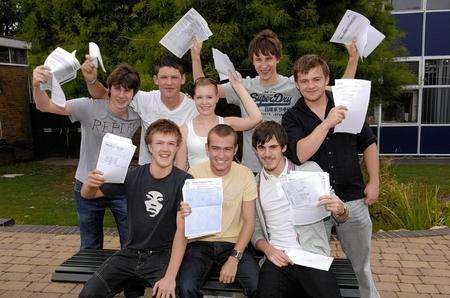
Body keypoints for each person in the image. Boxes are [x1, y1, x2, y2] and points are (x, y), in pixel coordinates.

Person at [191, 30, 359, 172]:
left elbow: (342, 90)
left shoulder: (294, 85)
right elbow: (204, 90)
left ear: (278, 58)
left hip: (287, 166)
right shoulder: (243, 86)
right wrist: (196, 57)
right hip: (253, 169)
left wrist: (353, 59)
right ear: (252, 61)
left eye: (268, 58)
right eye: (258, 59)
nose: (264, 65)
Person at [282, 54, 379, 298]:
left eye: (316, 79)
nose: (310, 85)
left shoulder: (346, 104)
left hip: (352, 198)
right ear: (296, 84)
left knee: (362, 268)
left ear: (326, 79)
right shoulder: (292, 117)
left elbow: (368, 143)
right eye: (304, 81)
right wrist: (327, 123)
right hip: (315, 205)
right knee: (314, 268)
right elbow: (300, 154)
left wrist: (375, 181)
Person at [32, 63, 141, 249]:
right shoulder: (88, 107)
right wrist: (36, 85)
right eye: (117, 89)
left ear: (133, 94)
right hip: (87, 184)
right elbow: (45, 106)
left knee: (131, 244)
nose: (122, 95)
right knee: (90, 246)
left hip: (119, 187)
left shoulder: (137, 115)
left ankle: (126, 277)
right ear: (110, 89)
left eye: (127, 91)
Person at [79, 119, 190, 298]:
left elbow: (182, 232)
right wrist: (90, 184)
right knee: (88, 294)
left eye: (171, 143)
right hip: (129, 253)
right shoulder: (132, 175)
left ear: (177, 147)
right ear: (149, 147)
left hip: (162, 256)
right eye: (159, 143)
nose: (165, 149)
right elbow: (88, 194)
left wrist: (170, 277)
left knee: (170, 293)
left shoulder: (184, 181)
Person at [251, 121, 348, 298]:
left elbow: (341, 215)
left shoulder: (309, 171)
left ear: (284, 147)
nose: (267, 154)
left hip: (310, 255)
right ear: (256, 150)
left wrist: (340, 209)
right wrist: (268, 250)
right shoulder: (255, 184)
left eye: (273, 147)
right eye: (261, 148)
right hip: (277, 257)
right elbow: (255, 229)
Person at [178, 124, 259, 298]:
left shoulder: (245, 174)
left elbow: (250, 222)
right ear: (207, 149)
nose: (221, 155)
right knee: (185, 287)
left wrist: (234, 258)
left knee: (258, 286)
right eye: (215, 148)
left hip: (233, 244)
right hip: (200, 244)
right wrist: (184, 211)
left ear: (235, 149)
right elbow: (185, 219)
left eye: (227, 149)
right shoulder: (194, 173)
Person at [82, 55, 197, 165]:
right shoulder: (144, 100)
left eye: (174, 77)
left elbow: (209, 91)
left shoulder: (195, 108)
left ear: (183, 79)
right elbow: (104, 95)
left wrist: (195, 56)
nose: (169, 82)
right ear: (156, 79)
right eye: (164, 77)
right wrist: (91, 81)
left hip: (181, 174)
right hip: (147, 174)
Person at [176, 72, 262, 169]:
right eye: (199, 97)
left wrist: (238, 86)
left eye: (209, 97)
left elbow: (256, 118)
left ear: (217, 98)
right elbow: (180, 168)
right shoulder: (184, 130)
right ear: (193, 99)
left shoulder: (226, 123)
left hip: (225, 182)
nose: (204, 102)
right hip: (195, 182)